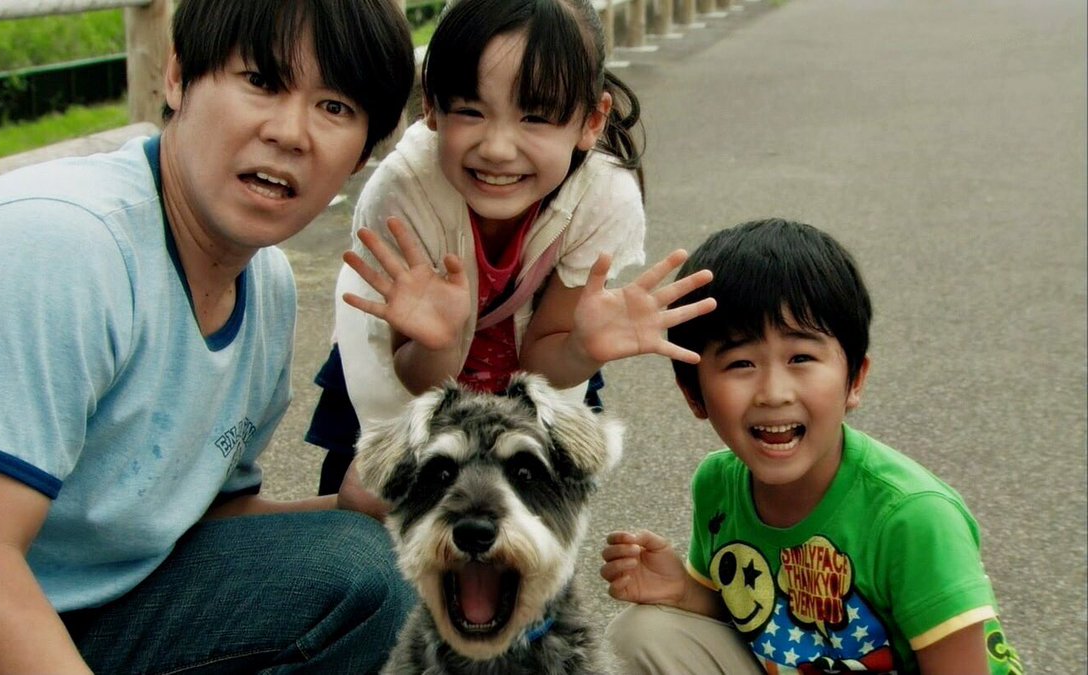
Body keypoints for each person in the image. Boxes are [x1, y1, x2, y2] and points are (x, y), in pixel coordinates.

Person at [0, 1, 418, 672]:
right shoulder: (64, 246)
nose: (290, 132)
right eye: (260, 80)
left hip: (96, 599)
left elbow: (194, 522)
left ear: (362, 152)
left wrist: (344, 509)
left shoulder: (270, 287)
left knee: (364, 569)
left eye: (335, 107)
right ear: (177, 78)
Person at [305, 0, 717, 496]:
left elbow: (544, 359)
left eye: (536, 117)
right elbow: (412, 376)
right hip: (401, 366)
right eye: (471, 111)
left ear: (591, 120)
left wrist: (582, 349)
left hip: (532, 367)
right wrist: (438, 343)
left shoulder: (604, 197)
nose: (498, 148)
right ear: (431, 105)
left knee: (527, 539)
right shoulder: (404, 190)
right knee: (370, 527)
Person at [599, 219, 1025, 674]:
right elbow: (746, 615)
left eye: (801, 357)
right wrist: (682, 591)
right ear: (694, 394)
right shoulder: (718, 483)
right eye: (740, 362)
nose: (774, 392)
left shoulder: (912, 517)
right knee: (639, 634)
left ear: (855, 380)